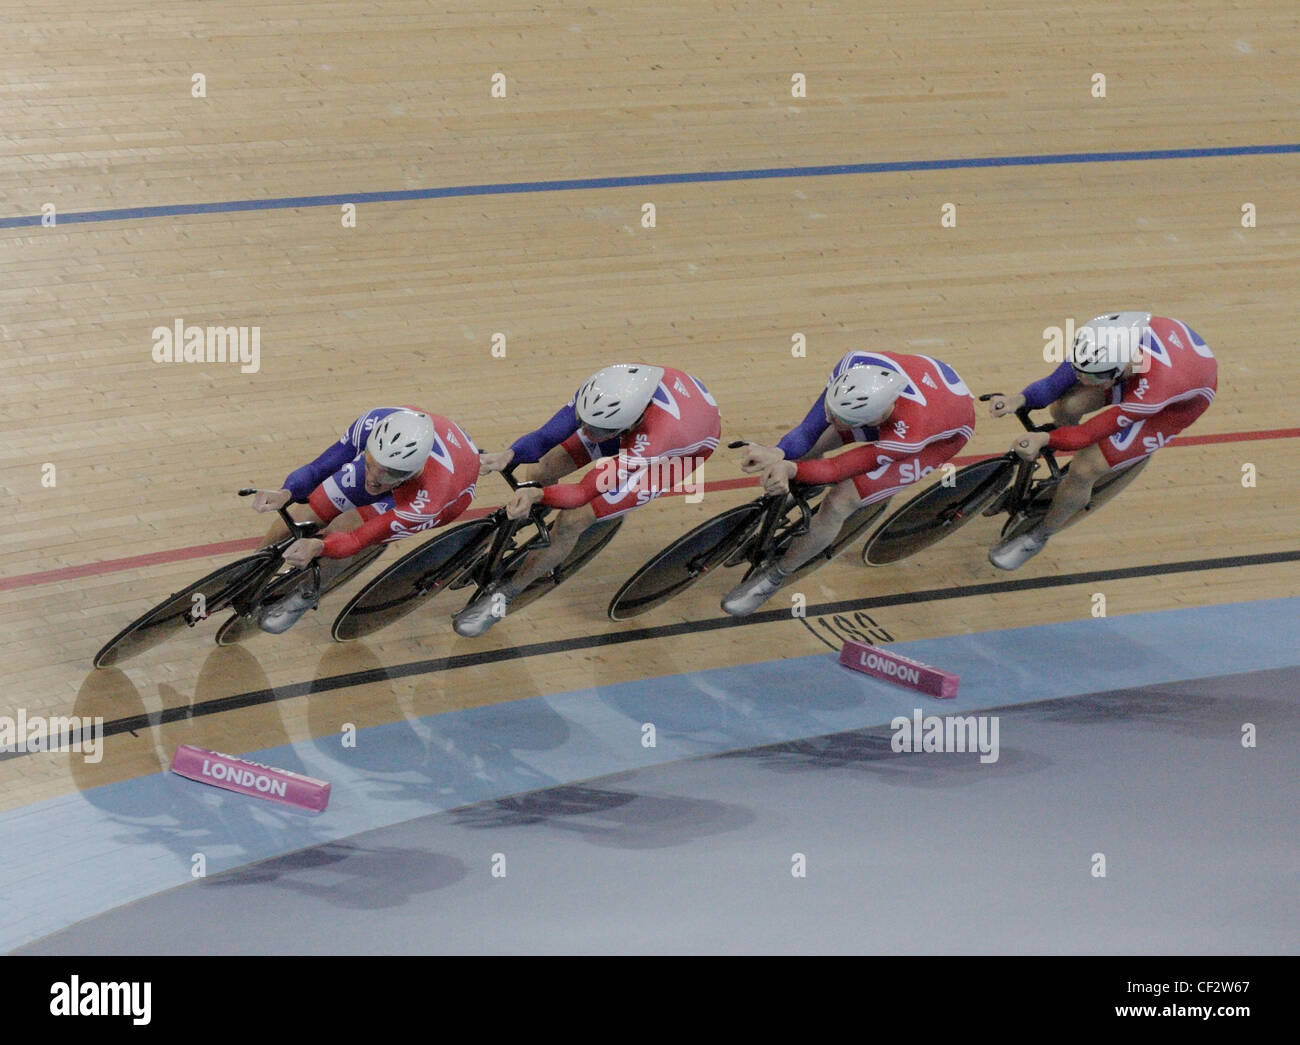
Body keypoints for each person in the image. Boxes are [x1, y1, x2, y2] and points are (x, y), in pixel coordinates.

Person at [456, 363, 721, 637]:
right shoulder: (601, 391)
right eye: (586, 423)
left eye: (600, 430)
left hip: (671, 456)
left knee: (573, 520)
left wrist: (539, 494)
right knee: (540, 469)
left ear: (632, 421)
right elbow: (547, 436)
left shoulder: (656, 438)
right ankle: (528, 517)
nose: (590, 434)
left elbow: (584, 491)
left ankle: (507, 593)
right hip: (629, 425)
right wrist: (508, 455)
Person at [722, 351, 976, 615]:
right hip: (918, 397)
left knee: (840, 501)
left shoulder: (909, 437)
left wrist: (791, 468)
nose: (832, 420)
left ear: (876, 419)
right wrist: (778, 452)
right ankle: (792, 493)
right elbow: (809, 429)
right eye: (832, 410)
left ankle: (776, 575)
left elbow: (838, 468)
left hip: (938, 437)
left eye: (844, 418)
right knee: (806, 448)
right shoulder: (852, 363)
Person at [986, 311, 1217, 570]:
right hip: (1141, 369)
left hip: (1171, 403)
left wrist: (1047, 438)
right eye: (1081, 372)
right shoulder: (1103, 341)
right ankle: (1066, 463)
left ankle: (1039, 535)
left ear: (1123, 367)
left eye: (1095, 377)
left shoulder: (1155, 390)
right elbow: (1054, 384)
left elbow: (1089, 433)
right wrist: (1019, 399)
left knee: (1086, 467)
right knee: (1068, 406)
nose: (1085, 381)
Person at [249, 407, 480, 632]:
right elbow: (318, 469)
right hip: (397, 462)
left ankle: (306, 593)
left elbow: (356, 539)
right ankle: (249, 574)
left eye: (387, 473)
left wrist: (320, 545)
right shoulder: (373, 422)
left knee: (343, 528)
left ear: (411, 471)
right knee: (300, 516)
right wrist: (286, 492)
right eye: (369, 464)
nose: (372, 480)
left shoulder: (429, 500)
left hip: (446, 496)